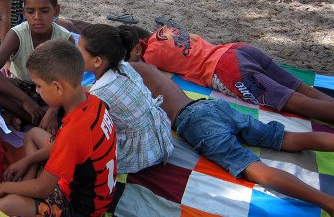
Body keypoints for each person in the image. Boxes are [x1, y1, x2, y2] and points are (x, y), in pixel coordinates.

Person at [122, 29, 334, 215]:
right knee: (290, 130)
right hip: (218, 87)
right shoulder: (161, 42)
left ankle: (328, 203)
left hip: (203, 108)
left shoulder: (132, 71)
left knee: (253, 167)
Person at [0, 40, 117, 217]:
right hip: (94, 185)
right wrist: (28, 160)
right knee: (33, 133)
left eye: (38, 85)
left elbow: (42, 189)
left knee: (6, 204)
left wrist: (2, 186)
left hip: (81, 208)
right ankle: (28, 177)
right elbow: (61, 146)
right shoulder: (93, 101)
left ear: (57, 87)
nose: (37, 91)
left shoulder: (73, 132)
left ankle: (24, 185)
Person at [130, 18, 334, 123]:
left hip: (228, 70)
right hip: (237, 50)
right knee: (301, 89)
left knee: (294, 102)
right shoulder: (166, 29)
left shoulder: (150, 55)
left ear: (138, 48)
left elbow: (141, 71)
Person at [76, 24, 173, 173]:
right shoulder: (123, 66)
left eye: (79, 51)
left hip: (140, 151)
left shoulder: (99, 93)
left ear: (97, 61)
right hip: (158, 131)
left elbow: (90, 125)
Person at [0, 0, 74, 133]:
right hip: (21, 88)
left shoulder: (65, 38)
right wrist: (25, 100)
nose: (37, 17)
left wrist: (52, 111)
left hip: (53, 93)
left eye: (44, 11)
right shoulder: (17, 34)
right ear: (24, 12)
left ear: (56, 11)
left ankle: (33, 116)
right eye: (31, 11)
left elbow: (71, 80)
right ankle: (36, 116)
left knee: (75, 97)